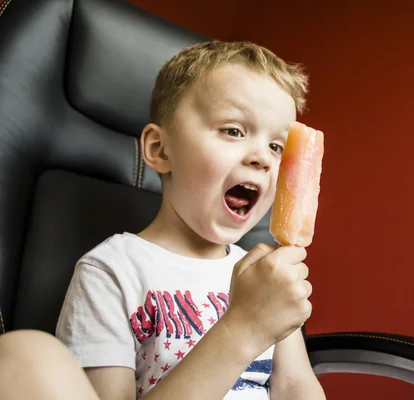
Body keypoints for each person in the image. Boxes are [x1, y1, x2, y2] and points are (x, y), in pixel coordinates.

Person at [0, 40, 325, 400]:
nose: (263, 159)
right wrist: (243, 327)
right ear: (159, 149)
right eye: (233, 130)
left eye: (277, 146)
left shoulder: (264, 276)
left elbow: (297, 386)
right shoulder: (112, 272)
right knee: (25, 355)